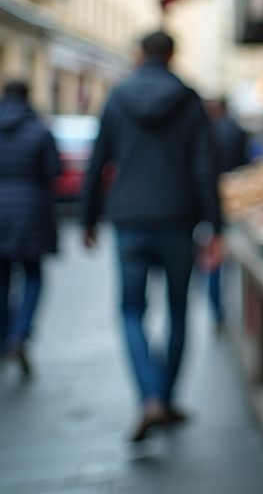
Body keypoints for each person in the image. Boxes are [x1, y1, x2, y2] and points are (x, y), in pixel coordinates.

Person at [80, 30, 222, 442]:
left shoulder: (119, 97)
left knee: (130, 310)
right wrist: (215, 226)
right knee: (179, 310)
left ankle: (150, 398)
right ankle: (165, 396)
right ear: (172, 55)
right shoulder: (190, 100)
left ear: (140, 55)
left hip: (129, 220)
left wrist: (89, 219)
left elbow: (97, 161)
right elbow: (204, 168)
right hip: (178, 221)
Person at [0, 80, 60, 378]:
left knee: (2, 277)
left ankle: (4, 338)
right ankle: (21, 333)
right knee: (33, 274)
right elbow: (54, 172)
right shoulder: (39, 130)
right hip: (31, 209)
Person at [204, 98, 249, 327]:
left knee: (214, 258)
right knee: (223, 256)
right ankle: (224, 308)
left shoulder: (206, 131)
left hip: (213, 202)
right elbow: (245, 163)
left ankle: (217, 309)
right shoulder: (237, 130)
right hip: (235, 198)